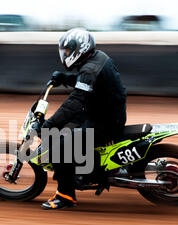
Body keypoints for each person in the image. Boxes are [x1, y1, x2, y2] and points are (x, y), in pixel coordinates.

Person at [36, 28, 127, 210]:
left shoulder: (89, 69)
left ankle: (65, 196)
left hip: (104, 120)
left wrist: (50, 124)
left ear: (80, 49)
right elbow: (88, 81)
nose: (66, 54)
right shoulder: (98, 57)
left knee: (60, 149)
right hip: (104, 111)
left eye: (68, 51)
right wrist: (64, 78)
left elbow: (75, 101)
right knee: (68, 131)